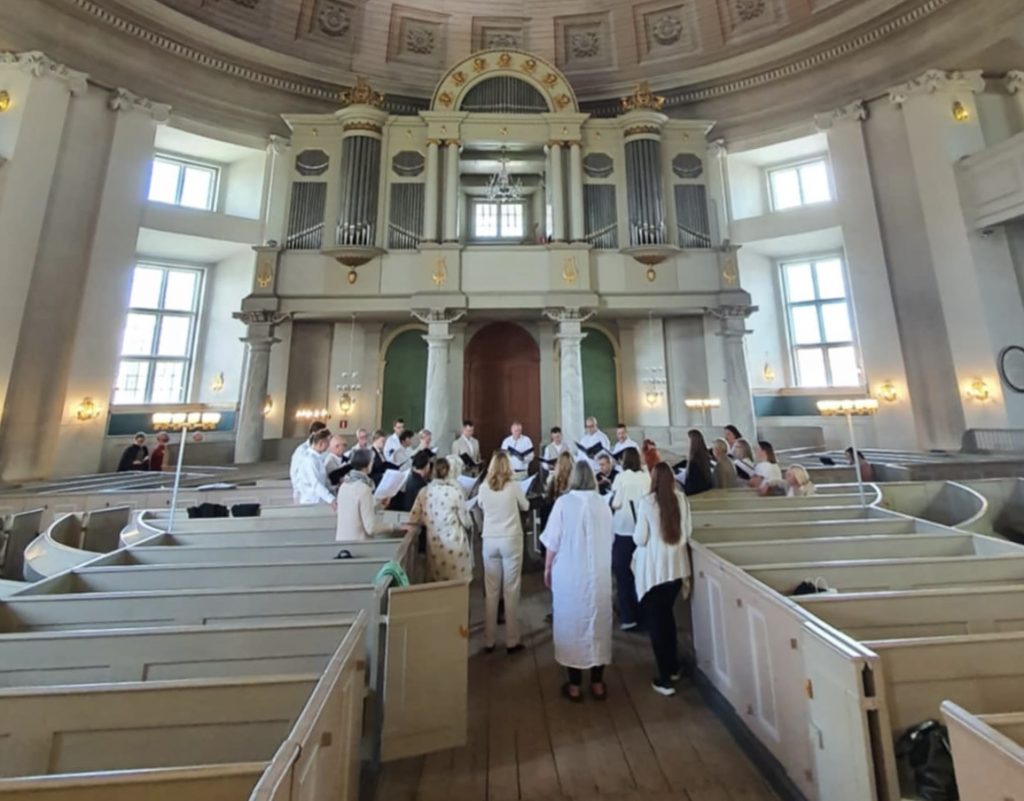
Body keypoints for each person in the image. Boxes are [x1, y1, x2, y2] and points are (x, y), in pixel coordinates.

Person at [541, 461, 614, 702]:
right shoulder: (602, 504)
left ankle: (574, 685)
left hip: (571, 573)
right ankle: (598, 683)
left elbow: (552, 541)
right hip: (598, 573)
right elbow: (610, 538)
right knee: (598, 625)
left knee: (572, 624)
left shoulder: (563, 503)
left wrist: (547, 567)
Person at [633, 462, 692, 696]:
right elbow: (687, 532)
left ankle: (665, 679)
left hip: (654, 571)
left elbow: (640, 538)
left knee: (657, 626)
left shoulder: (647, 503)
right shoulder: (681, 499)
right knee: (667, 619)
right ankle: (673, 666)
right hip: (676, 569)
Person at [477, 451, 529, 654]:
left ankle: (489, 640)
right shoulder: (513, 486)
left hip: (490, 539)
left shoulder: (484, 487)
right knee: (511, 589)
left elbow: (480, 506)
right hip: (511, 539)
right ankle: (511, 640)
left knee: (491, 591)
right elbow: (525, 505)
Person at [407, 457, 473, 582]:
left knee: (437, 582)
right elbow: (465, 520)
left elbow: (414, 517)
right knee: (458, 581)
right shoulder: (455, 492)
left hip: (434, 542)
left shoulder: (424, 492)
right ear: (449, 471)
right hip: (455, 541)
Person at [610, 447, 646, 631]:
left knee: (623, 575)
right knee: (640, 574)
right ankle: (644, 614)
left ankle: (628, 617)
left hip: (623, 530)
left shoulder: (621, 477)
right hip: (642, 530)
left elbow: (616, 502)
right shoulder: (646, 477)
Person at [336, 449, 382, 541]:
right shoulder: (364, 488)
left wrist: (378, 504)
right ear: (368, 464)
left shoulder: (344, 486)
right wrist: (395, 527)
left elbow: (354, 511)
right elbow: (371, 528)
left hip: (342, 540)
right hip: (359, 542)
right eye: (372, 461)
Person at [296, 429, 336, 506]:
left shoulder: (318, 458)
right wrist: (331, 499)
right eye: (328, 443)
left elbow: (322, 480)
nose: (328, 446)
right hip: (311, 501)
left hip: (319, 499)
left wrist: (332, 487)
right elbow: (315, 483)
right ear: (320, 443)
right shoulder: (310, 460)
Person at [290, 421, 327, 501]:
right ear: (314, 433)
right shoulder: (301, 450)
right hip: (305, 494)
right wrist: (298, 491)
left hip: (320, 494)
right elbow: (294, 472)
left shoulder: (324, 450)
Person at [683, 430, 714, 497]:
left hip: (696, 495)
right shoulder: (705, 455)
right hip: (705, 492)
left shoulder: (694, 460)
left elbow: (691, 485)